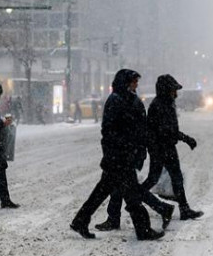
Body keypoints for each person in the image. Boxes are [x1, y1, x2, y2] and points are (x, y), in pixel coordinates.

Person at [70, 69, 164, 240]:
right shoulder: (116, 100)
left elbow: (137, 128)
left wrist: (138, 149)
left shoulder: (129, 99)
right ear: (126, 83)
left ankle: (80, 221)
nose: (136, 84)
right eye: (134, 81)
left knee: (102, 192)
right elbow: (109, 131)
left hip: (122, 157)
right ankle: (143, 230)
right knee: (132, 195)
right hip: (120, 158)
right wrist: (123, 149)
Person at [140, 74, 204, 220]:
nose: (176, 93)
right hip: (162, 147)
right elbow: (167, 130)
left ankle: (184, 209)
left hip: (164, 146)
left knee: (173, 178)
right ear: (166, 90)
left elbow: (169, 130)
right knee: (159, 178)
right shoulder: (160, 105)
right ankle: (135, 197)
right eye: (173, 90)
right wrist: (186, 139)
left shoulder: (166, 103)